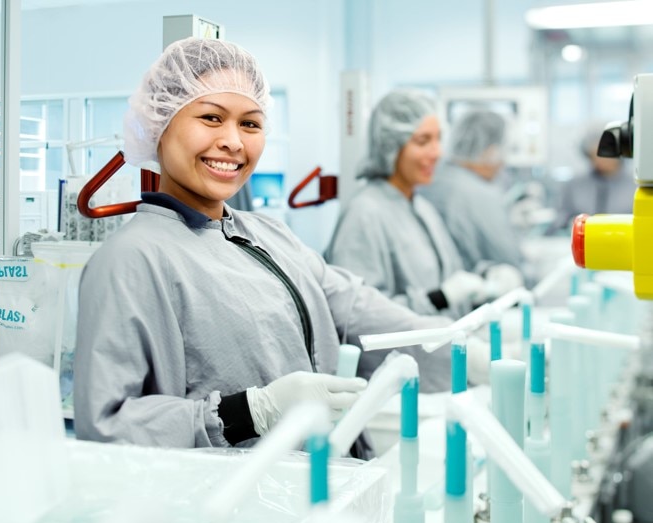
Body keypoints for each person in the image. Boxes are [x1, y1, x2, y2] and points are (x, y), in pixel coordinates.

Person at [72, 38, 484, 455]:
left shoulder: (267, 234)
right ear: (159, 125)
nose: (234, 141)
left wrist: (462, 351)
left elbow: (355, 307)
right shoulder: (130, 260)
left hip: (318, 484)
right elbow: (107, 425)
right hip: (235, 508)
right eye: (211, 118)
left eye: (250, 124)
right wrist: (249, 412)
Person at [324, 90, 520, 319]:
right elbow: (356, 315)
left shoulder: (420, 207)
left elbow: (450, 275)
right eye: (423, 141)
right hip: (398, 356)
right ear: (391, 146)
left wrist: (487, 276)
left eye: (438, 139)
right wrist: (438, 299)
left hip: (442, 348)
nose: (437, 152)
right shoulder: (365, 213)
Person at [418, 109, 525, 280]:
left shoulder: (430, 178)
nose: (503, 163)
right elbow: (509, 262)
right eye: (503, 152)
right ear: (490, 151)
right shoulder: (481, 194)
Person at [549, 124, 636, 233]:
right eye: (592, 155)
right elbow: (561, 219)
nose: (599, 160)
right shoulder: (574, 185)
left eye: (604, 154)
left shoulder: (636, 184)